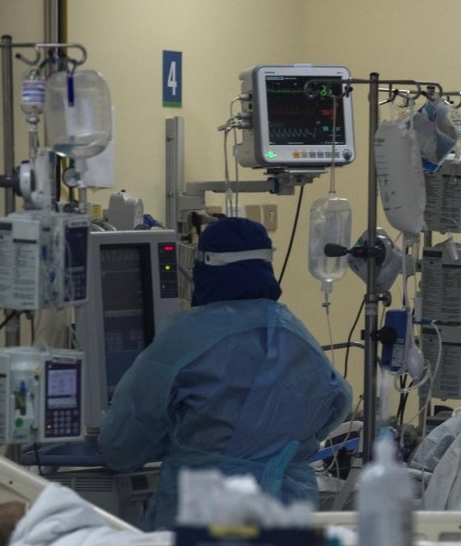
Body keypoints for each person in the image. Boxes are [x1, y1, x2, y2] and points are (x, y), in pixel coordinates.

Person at [99, 217, 352, 529]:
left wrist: (188, 440)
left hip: (204, 520)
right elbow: (338, 402)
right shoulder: (296, 334)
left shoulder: (186, 339)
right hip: (285, 521)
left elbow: (121, 444)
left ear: (204, 271)